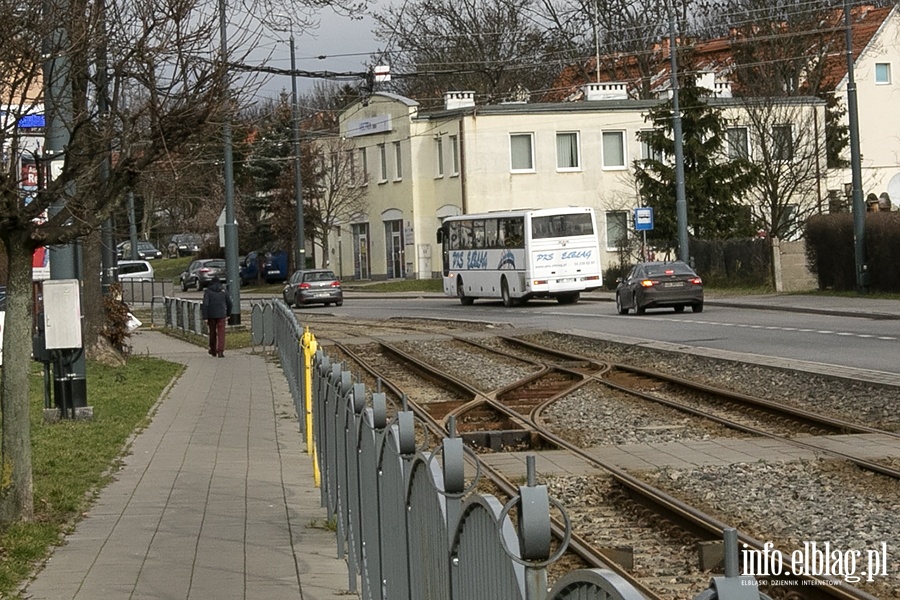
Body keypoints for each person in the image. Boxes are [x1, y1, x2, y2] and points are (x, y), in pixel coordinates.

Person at [201, 276, 232, 357]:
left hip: (211, 315)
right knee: (221, 333)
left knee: (212, 332)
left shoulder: (208, 291)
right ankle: (220, 351)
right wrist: (228, 314)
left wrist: (205, 316)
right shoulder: (223, 291)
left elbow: (205, 304)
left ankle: (213, 350)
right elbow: (229, 303)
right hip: (222, 314)